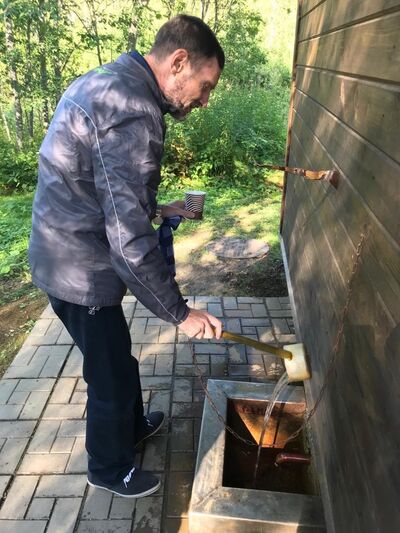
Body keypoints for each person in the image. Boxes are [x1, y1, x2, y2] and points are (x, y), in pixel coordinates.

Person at [28, 14, 224, 498]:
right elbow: (130, 241)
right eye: (204, 86)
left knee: (117, 358)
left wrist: (162, 208)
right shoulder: (131, 110)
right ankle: (108, 468)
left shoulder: (110, 81)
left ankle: (132, 426)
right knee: (110, 374)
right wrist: (180, 313)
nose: (204, 101)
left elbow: (103, 189)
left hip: (65, 249)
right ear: (179, 62)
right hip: (78, 268)